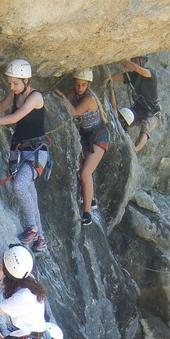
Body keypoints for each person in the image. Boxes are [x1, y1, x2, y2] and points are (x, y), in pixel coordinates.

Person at [0, 59, 48, 252]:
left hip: (36, 152)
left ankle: (32, 227)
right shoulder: (15, 94)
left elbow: (15, 117)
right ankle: (40, 238)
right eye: (10, 83)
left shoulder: (35, 97)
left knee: (20, 184)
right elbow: (2, 106)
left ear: (26, 80)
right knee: (29, 190)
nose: (11, 87)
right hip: (20, 151)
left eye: (15, 83)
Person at [54, 69, 108, 226]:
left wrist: (62, 96)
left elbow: (75, 112)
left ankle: (87, 213)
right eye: (77, 84)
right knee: (83, 169)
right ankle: (91, 199)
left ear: (88, 85)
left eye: (83, 85)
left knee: (85, 173)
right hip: (87, 136)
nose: (79, 88)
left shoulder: (89, 98)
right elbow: (66, 105)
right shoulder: (75, 93)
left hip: (98, 136)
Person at [110, 55, 160, 152]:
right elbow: (116, 77)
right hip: (138, 109)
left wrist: (121, 60)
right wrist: (108, 78)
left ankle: (135, 150)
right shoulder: (133, 76)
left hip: (152, 112)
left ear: (143, 62)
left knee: (145, 128)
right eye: (132, 60)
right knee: (121, 121)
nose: (133, 61)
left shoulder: (150, 73)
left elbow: (137, 68)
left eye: (135, 60)